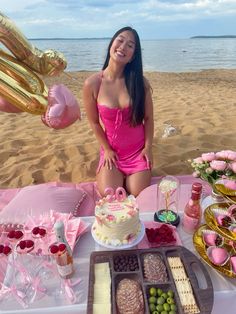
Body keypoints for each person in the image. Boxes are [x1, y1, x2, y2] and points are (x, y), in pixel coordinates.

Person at [83, 26, 154, 197]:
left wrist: (148, 148)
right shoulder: (92, 84)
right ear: (111, 44)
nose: (123, 47)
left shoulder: (140, 83)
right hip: (112, 153)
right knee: (111, 195)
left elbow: (149, 118)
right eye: (120, 40)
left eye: (130, 45)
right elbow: (94, 122)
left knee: (138, 193)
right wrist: (106, 149)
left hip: (138, 152)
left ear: (133, 56)